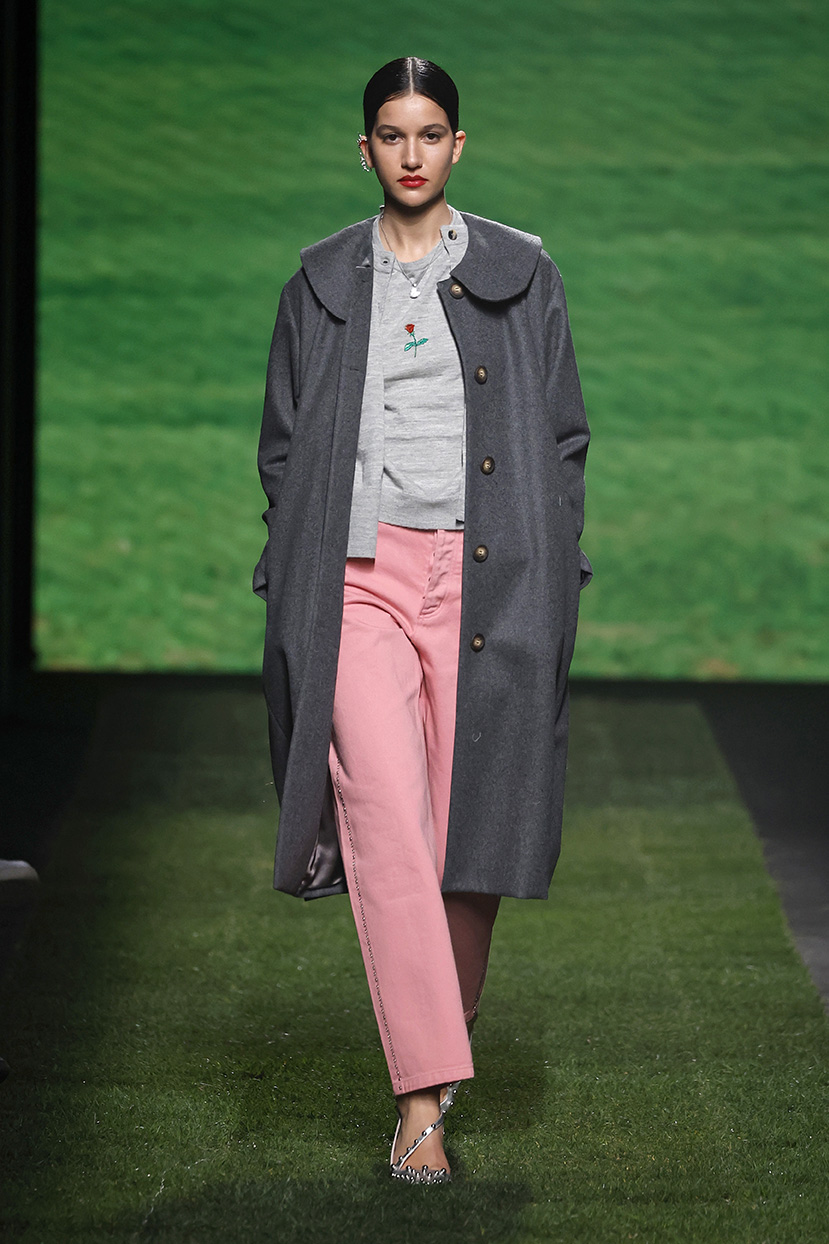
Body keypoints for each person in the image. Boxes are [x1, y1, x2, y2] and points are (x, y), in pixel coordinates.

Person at [254, 56, 592, 1183]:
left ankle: (433, 1070)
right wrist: (293, 564)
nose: (411, 152)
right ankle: (419, 1106)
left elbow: (562, 436)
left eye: (430, 132)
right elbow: (283, 447)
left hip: (489, 577)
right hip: (355, 579)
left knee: (469, 837)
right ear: (365, 151)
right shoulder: (319, 282)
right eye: (391, 135)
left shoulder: (520, 271)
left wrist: (555, 566)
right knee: (388, 819)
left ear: (458, 145)